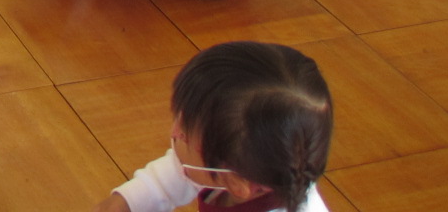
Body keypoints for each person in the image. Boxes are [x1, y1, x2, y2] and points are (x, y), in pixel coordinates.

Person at [95, 41, 333, 212]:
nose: (174, 131)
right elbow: (173, 176)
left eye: (185, 136)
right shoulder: (262, 168)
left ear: (238, 184)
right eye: (182, 116)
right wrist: (128, 201)